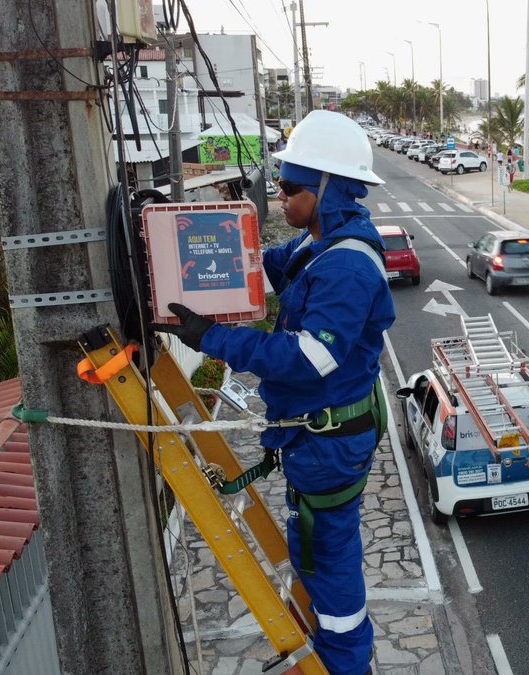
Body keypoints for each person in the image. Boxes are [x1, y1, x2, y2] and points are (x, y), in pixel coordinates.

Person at [153, 110, 394, 675]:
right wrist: (184, 253)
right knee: (315, 545)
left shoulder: (348, 267)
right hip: (320, 434)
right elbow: (259, 269)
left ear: (326, 190)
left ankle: (343, 662)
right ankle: (334, 642)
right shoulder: (320, 246)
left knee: (328, 557)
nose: (278, 196)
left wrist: (211, 337)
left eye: (289, 187)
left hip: (331, 439)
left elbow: (312, 357)